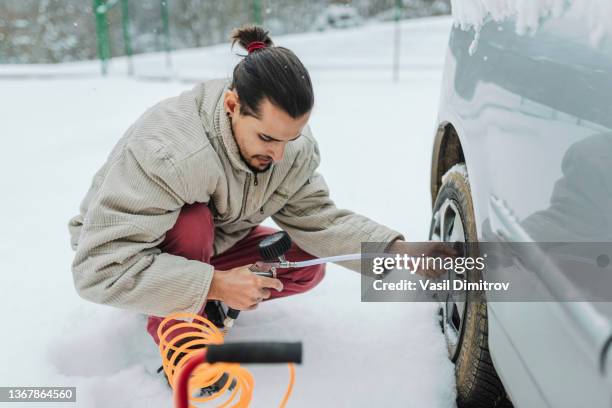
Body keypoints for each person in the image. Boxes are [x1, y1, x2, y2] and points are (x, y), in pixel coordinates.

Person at [67, 25, 452, 349]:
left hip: (211, 245)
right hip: (132, 248)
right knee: (192, 222)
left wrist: (399, 251)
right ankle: (183, 343)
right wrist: (215, 283)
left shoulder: (284, 148)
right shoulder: (171, 153)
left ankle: (197, 296)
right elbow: (98, 270)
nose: (279, 155)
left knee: (303, 261)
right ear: (233, 105)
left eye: (291, 138)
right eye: (268, 138)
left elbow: (317, 221)